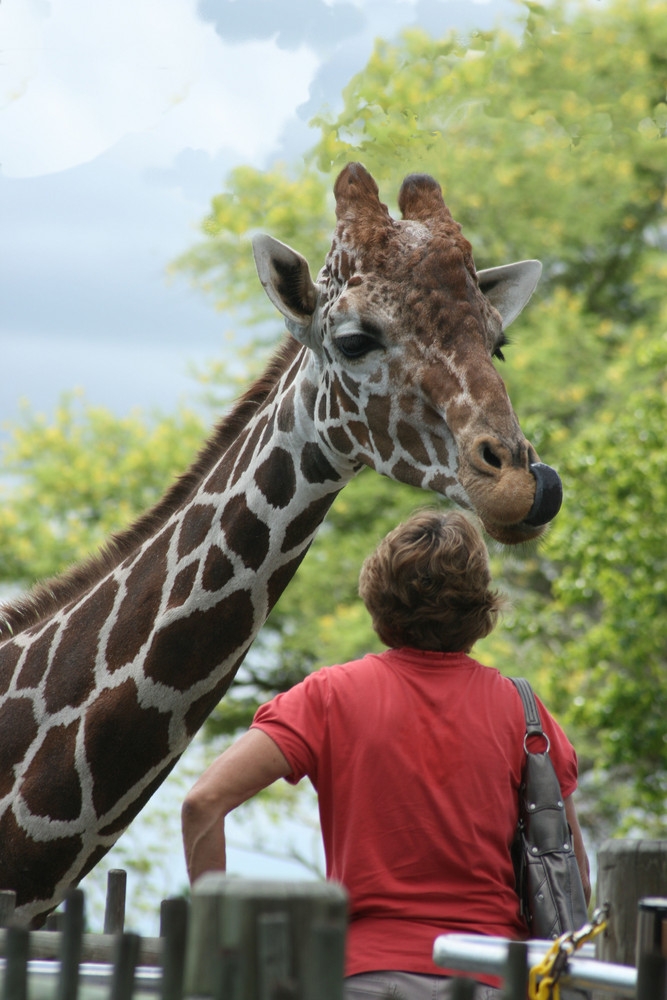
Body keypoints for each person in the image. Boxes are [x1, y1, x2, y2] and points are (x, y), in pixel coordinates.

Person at [182, 509, 591, 999]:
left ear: (378, 598)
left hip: (363, 979)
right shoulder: (526, 716)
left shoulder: (328, 696)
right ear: (479, 608)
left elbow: (202, 804)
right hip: (494, 978)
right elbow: (574, 876)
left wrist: (223, 955)